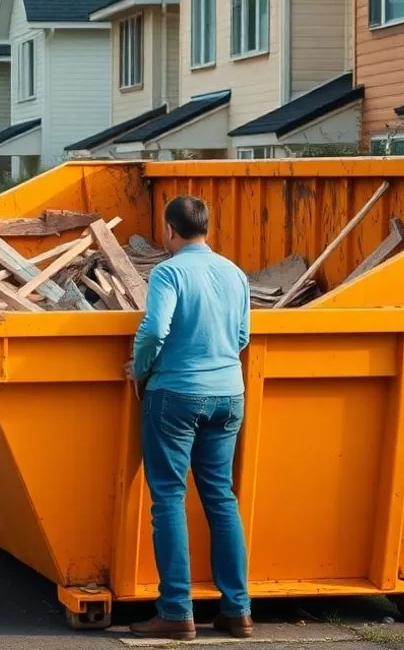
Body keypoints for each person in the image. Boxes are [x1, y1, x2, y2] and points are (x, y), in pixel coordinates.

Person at [128, 195, 253, 641]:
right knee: (221, 498)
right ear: (207, 228)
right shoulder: (234, 273)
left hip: (177, 394)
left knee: (168, 499)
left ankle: (176, 612)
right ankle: (237, 611)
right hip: (229, 394)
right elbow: (242, 335)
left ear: (169, 230)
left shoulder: (169, 271)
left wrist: (139, 368)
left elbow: (155, 328)